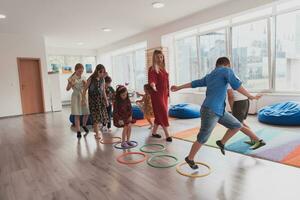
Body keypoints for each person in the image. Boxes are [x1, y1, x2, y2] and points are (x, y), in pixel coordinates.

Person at [171, 57, 261, 169]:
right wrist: (250, 96)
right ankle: (190, 158)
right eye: (230, 66)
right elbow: (237, 86)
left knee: (237, 125)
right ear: (226, 64)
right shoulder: (226, 70)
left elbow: (194, 83)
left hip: (219, 110)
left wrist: (178, 87)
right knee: (203, 138)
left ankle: (222, 142)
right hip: (211, 110)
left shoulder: (210, 76)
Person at [148, 50, 172, 142]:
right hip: (157, 94)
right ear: (154, 58)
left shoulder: (163, 68)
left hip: (164, 94)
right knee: (162, 113)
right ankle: (167, 135)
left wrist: (168, 93)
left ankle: (154, 132)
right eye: (157, 57)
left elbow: (166, 82)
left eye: (161, 57)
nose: (160, 59)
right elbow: (152, 80)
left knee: (159, 114)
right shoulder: (153, 69)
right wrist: (153, 85)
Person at [85, 64, 109, 140]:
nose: (102, 73)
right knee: (96, 117)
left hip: (100, 100)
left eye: (103, 72)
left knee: (101, 116)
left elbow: (103, 91)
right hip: (93, 100)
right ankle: (97, 133)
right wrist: (83, 99)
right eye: (100, 72)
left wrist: (106, 100)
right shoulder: (91, 78)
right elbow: (85, 89)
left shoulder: (103, 79)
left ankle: (97, 132)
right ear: (97, 71)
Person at [66, 63, 90, 138]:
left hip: (83, 96)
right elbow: (67, 89)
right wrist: (70, 84)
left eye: (82, 71)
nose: (81, 72)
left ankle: (84, 125)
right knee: (77, 114)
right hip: (76, 96)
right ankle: (78, 131)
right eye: (79, 71)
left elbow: (86, 87)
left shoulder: (83, 77)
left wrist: (85, 84)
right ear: (75, 70)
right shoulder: (71, 78)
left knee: (86, 113)